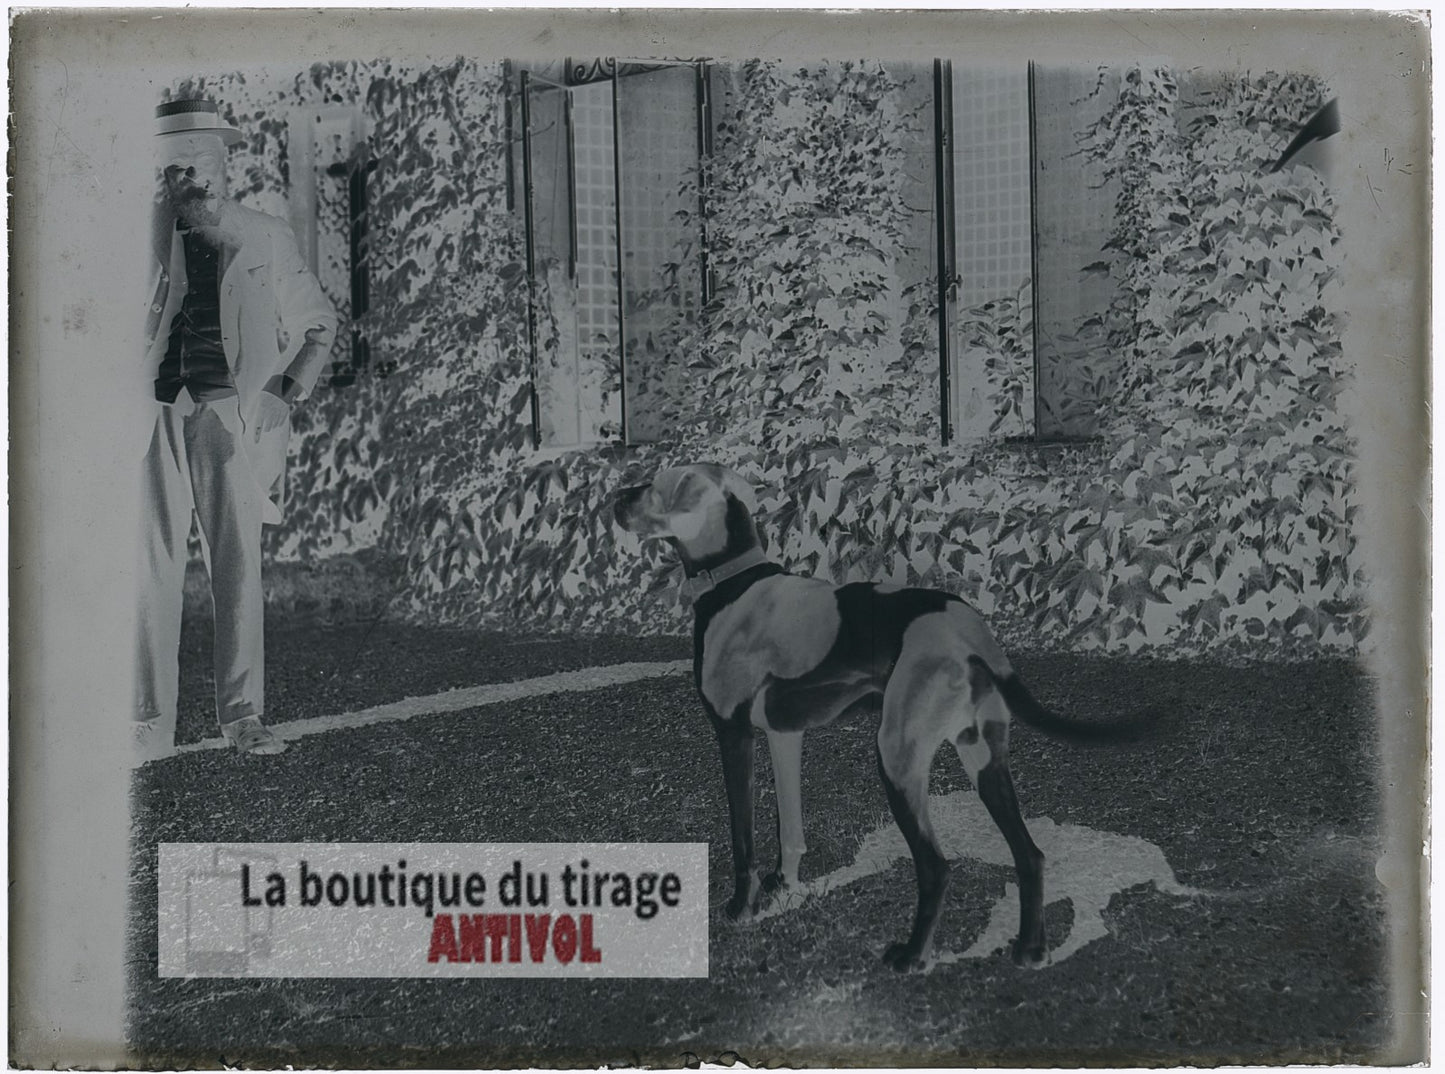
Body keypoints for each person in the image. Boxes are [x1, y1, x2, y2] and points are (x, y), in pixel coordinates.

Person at [133, 98, 337, 759]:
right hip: (153, 415)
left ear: (225, 164)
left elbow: (317, 322)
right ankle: (147, 723)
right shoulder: (135, 236)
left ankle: (243, 716)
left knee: (238, 565)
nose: (189, 175)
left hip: (234, 417)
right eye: (174, 166)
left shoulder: (265, 233)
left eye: (200, 161)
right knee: (149, 570)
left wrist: (287, 385)